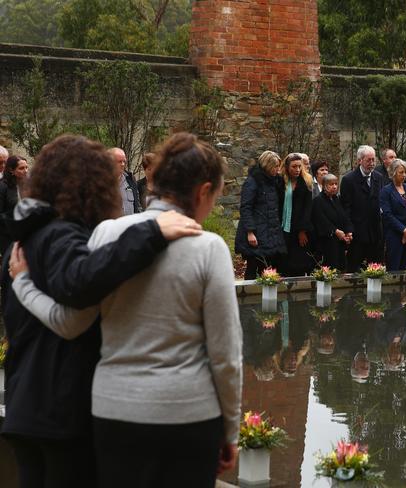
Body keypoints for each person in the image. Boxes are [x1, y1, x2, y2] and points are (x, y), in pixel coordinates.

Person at [10, 133, 242, 488]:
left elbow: (72, 320)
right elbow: (225, 356)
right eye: (214, 197)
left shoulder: (104, 233)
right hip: (188, 412)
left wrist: (22, 284)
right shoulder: (208, 246)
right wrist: (230, 430)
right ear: (202, 191)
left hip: (113, 409)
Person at [235, 151, 287, 279]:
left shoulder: (275, 181)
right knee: (253, 267)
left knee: (269, 270)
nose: (277, 169)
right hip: (257, 233)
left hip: (271, 231)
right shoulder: (252, 182)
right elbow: (246, 207)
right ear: (267, 166)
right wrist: (250, 232)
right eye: (275, 166)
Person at [339, 145, 383, 272]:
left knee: (375, 269)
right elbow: (346, 208)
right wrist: (349, 229)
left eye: (373, 160)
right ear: (359, 161)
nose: (372, 163)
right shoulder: (349, 179)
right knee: (356, 268)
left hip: (375, 232)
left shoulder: (378, 177)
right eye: (368, 160)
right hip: (358, 232)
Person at [379, 159, 406, 271]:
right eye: (401, 172)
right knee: (394, 267)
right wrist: (403, 230)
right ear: (393, 173)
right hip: (395, 234)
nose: (404, 175)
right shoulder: (386, 191)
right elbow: (387, 214)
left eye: (405, 172)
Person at [280, 152, 314, 276]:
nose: (297, 169)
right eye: (294, 166)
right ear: (287, 167)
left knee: (299, 263)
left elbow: (307, 208)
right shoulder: (281, 182)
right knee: (284, 262)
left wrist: (302, 230)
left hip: (299, 228)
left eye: (299, 166)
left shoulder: (306, 183)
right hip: (284, 227)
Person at [311, 174, 352, 270]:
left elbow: (344, 217)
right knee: (330, 268)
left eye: (336, 184)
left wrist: (348, 231)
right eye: (331, 184)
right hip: (327, 242)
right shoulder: (318, 201)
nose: (334, 186)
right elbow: (321, 220)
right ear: (324, 186)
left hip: (340, 242)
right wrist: (335, 231)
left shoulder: (337, 199)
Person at [0, 155, 29, 254]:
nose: (25, 171)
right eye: (21, 168)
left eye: (26, 167)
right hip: (8, 236)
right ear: (11, 170)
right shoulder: (3, 187)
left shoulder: (29, 185)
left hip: (27, 234)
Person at [108, 148, 141, 215]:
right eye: (119, 161)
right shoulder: (100, 182)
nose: (123, 164)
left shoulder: (130, 180)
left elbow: (137, 207)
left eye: (124, 161)